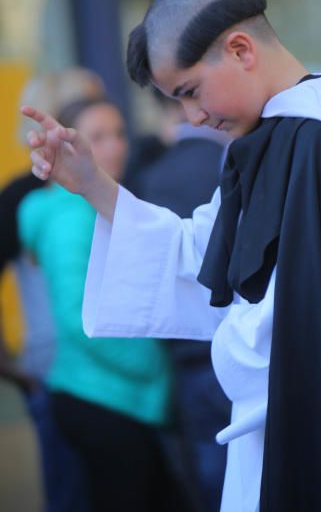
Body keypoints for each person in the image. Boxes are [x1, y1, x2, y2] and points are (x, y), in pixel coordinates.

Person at [21, 0, 321, 512]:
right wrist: (93, 184)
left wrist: (230, 338)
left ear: (240, 49)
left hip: (316, 437)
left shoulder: (317, 144)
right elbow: (207, 257)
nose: (193, 116)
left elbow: (290, 326)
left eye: (189, 92)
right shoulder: (278, 139)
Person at [18, 97, 177, 512]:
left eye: (120, 133)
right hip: (102, 399)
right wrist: (154, 363)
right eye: (98, 136)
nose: (116, 147)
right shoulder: (72, 213)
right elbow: (78, 318)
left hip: (113, 396)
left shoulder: (98, 204)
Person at [0, 67, 105, 512]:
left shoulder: (105, 183)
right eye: (88, 109)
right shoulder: (26, 196)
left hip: (122, 372)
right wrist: (15, 368)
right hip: (57, 376)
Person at [130, 90, 231, 512]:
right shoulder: (232, 163)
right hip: (241, 341)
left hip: (184, 350)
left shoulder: (148, 178)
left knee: (211, 476)